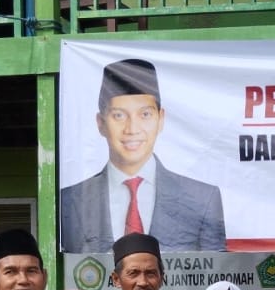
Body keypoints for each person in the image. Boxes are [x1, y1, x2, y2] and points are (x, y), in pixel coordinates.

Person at [59, 58, 226, 254]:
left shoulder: (202, 200)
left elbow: (216, 268)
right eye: (119, 115)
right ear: (101, 123)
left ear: (160, 119)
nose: (132, 129)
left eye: (145, 114)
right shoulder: (69, 201)